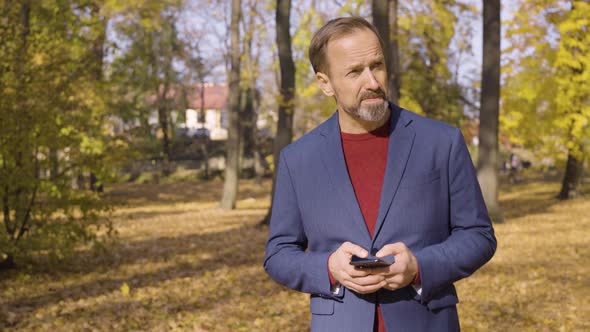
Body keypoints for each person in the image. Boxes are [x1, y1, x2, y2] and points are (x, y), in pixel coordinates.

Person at [263, 16, 496, 332]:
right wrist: (328, 268)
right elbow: (278, 255)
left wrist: (419, 267)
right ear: (325, 82)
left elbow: (478, 235)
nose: (372, 82)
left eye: (377, 66)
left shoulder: (442, 142)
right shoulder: (297, 159)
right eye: (355, 72)